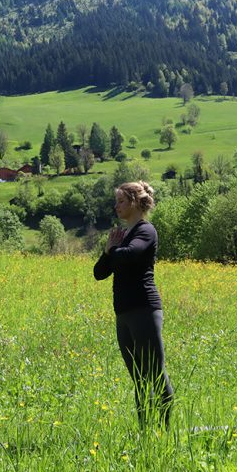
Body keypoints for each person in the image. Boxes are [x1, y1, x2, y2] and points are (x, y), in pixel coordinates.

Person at [93, 181, 173, 428]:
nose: (116, 206)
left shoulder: (145, 231)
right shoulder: (123, 236)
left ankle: (165, 430)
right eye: (116, 201)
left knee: (155, 374)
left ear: (136, 202)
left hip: (144, 309)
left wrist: (112, 251)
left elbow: (130, 255)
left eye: (121, 201)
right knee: (139, 378)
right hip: (124, 313)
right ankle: (145, 432)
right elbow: (99, 272)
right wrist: (109, 252)